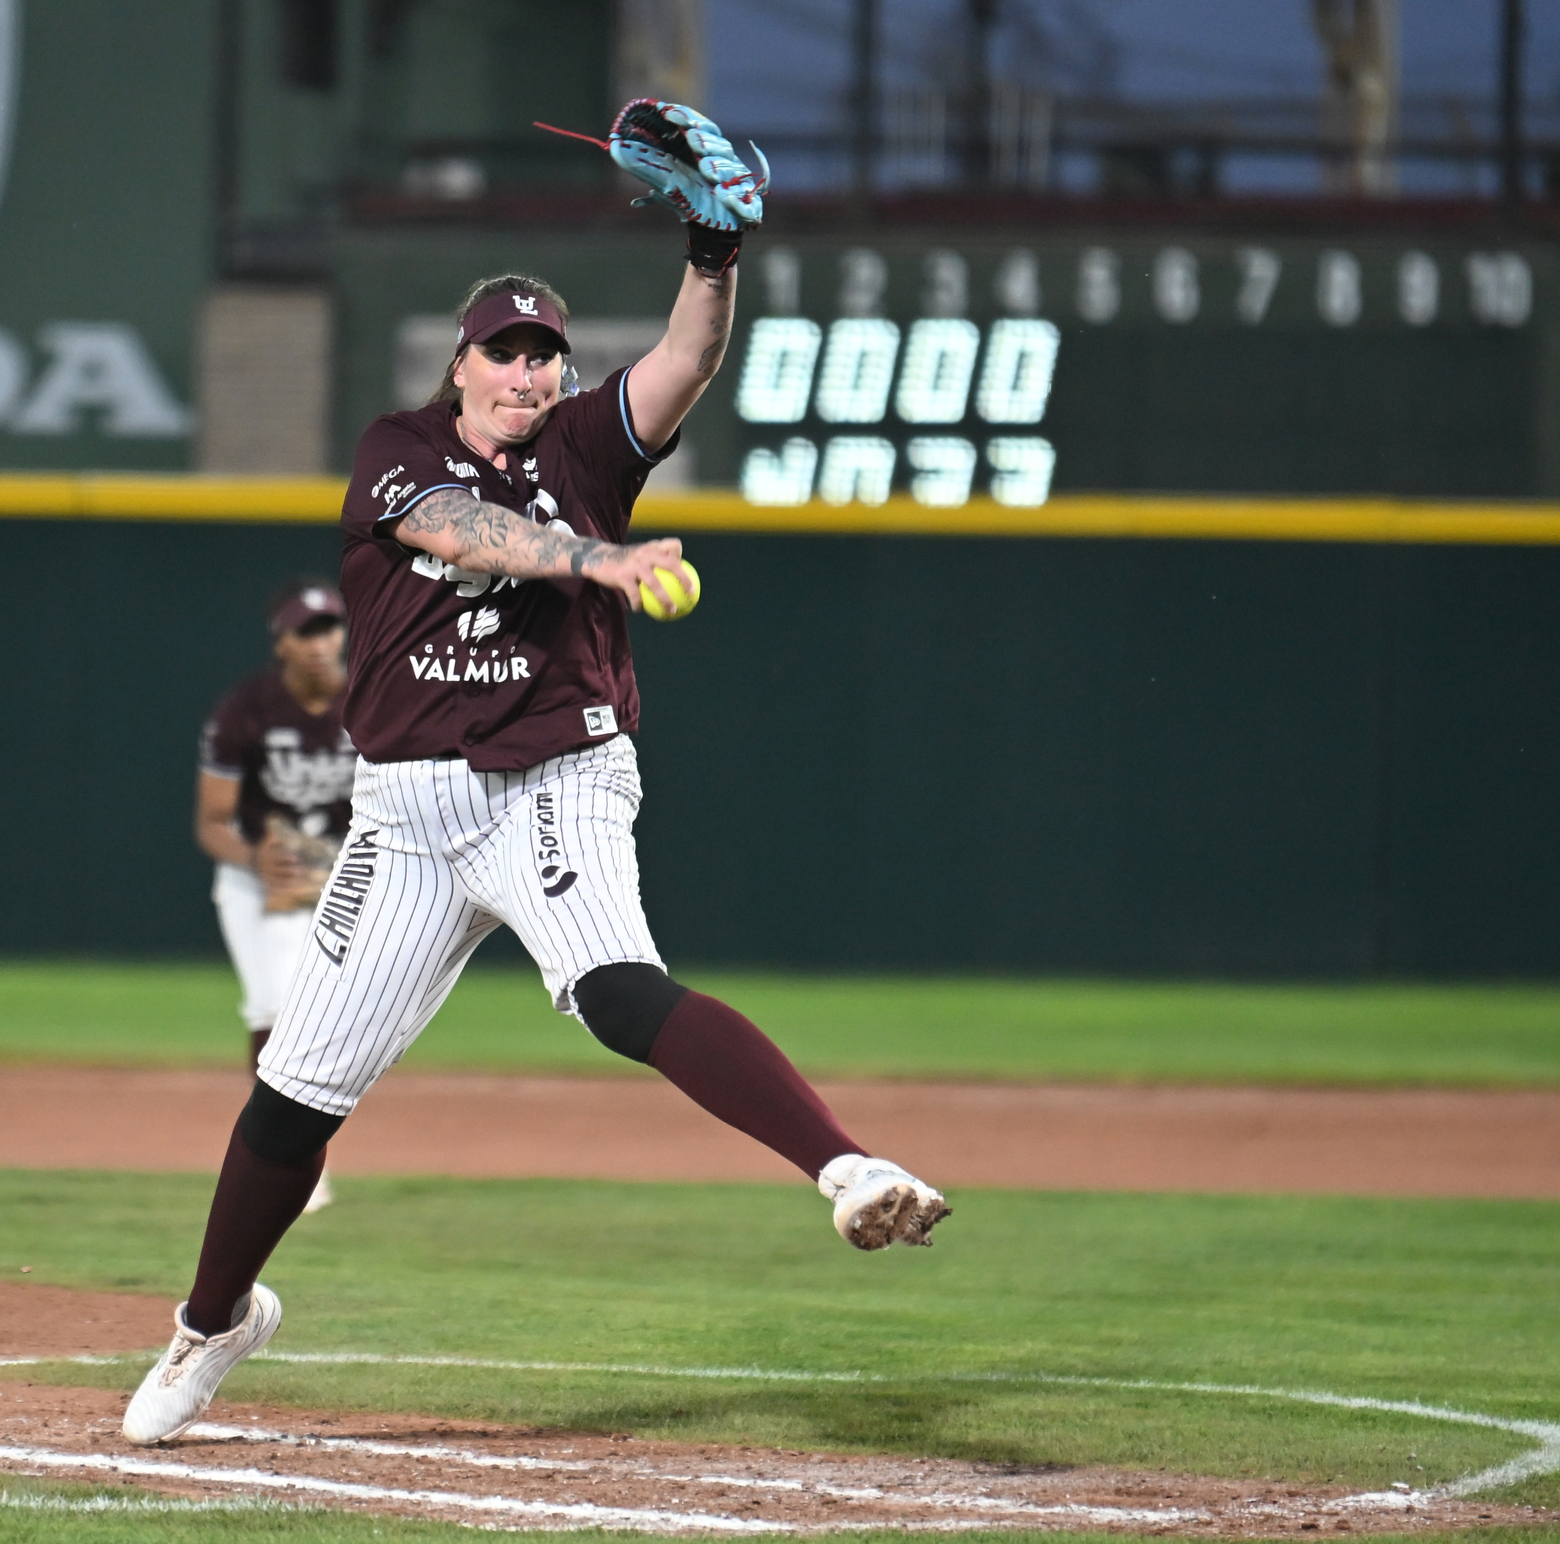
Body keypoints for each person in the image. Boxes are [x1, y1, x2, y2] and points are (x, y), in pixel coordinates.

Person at [123, 101, 947, 1446]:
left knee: (619, 989)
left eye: (542, 355)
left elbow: (687, 357)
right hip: (403, 815)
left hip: (554, 783)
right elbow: (462, 531)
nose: (523, 371)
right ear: (460, 367)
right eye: (503, 351)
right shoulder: (401, 452)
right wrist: (592, 559)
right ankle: (214, 1323)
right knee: (291, 1101)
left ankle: (847, 1169)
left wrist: (715, 249)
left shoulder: (586, 452)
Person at [196, 580, 356, 1211]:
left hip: (344, 870)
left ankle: (290, 1159)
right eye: (305, 632)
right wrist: (255, 858)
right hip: (257, 878)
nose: (321, 644)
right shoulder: (247, 709)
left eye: (329, 628)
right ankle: (283, 1162)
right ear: (282, 644)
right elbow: (213, 820)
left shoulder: (370, 701)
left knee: (317, 1016)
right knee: (273, 1009)